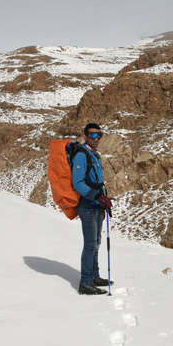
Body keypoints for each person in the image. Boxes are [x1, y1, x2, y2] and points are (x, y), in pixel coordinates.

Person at [73, 123, 112, 295]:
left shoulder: (95, 155)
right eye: (93, 135)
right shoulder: (82, 155)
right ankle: (85, 282)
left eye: (99, 135)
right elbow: (78, 183)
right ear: (85, 135)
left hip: (96, 205)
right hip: (87, 205)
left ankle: (95, 276)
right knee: (90, 245)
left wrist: (103, 202)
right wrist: (97, 197)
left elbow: (98, 183)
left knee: (96, 243)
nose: (96, 139)